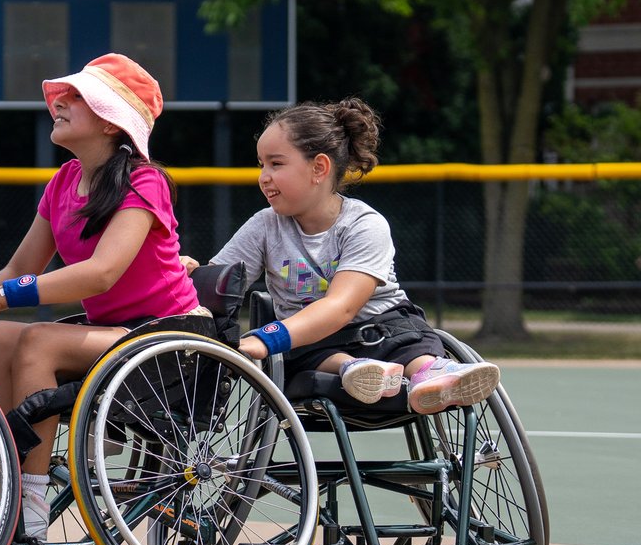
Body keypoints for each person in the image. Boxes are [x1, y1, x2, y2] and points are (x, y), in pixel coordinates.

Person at [0, 54, 205, 543]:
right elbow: (20, 270)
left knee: (40, 340)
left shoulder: (145, 180)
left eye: (78, 98)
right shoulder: (64, 180)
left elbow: (101, 274)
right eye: (62, 96)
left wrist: (2, 296)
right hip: (117, 339)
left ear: (111, 123)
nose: (59, 103)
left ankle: (31, 508)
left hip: (171, 342)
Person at [187, 97, 499, 414]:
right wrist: (192, 271)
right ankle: (357, 369)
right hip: (311, 342)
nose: (263, 176)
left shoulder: (365, 225)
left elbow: (341, 307)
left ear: (319, 168)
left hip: (383, 328)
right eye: (261, 165)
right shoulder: (264, 226)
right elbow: (219, 284)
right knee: (305, 351)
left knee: (410, 343)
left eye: (276, 164)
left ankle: (431, 373)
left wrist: (266, 338)